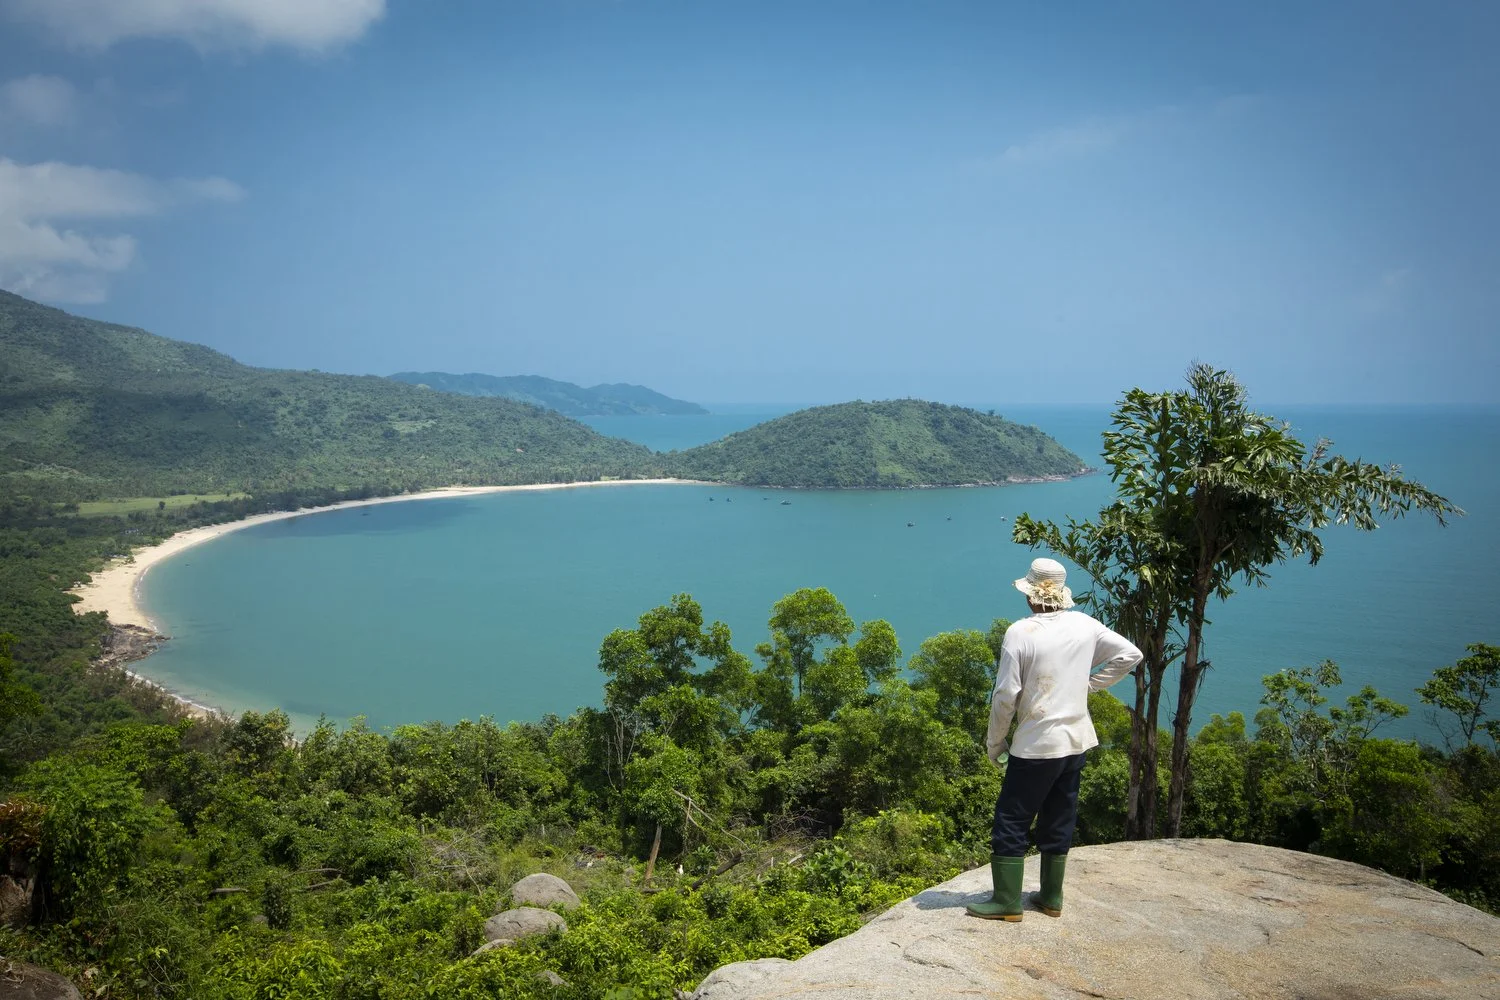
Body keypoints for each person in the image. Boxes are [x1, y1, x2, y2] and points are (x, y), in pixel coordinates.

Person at [967, 557, 1142, 921]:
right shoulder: (1084, 624)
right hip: (1076, 741)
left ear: (1031, 595)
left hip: (1035, 746)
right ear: (1060, 594)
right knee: (1059, 816)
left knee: (1012, 820)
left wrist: (995, 743)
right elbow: (1131, 654)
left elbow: (1005, 697)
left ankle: (1007, 902)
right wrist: (1090, 685)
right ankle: (1050, 898)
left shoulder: (1021, 632)